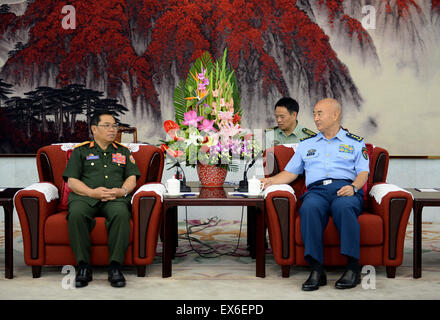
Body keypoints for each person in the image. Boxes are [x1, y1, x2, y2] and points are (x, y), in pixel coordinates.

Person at [261, 98, 369, 291]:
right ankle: (316, 269)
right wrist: (270, 180)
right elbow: (291, 172)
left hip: (344, 188)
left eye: (320, 113)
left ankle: (353, 267)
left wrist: (354, 187)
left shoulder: (355, 143)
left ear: (335, 115)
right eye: (314, 114)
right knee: (309, 208)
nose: (315, 118)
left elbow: (363, 172)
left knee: (344, 207)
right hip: (316, 191)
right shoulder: (306, 144)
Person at [63, 112, 140, 288]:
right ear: (94, 129)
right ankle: (83, 267)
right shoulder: (80, 151)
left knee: (121, 214)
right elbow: (72, 181)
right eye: (107, 125)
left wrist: (122, 191)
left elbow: (132, 178)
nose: (112, 129)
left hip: (115, 198)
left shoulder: (123, 151)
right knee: (76, 214)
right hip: (85, 197)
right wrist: (91, 193)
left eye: (114, 125)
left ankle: (115, 267)